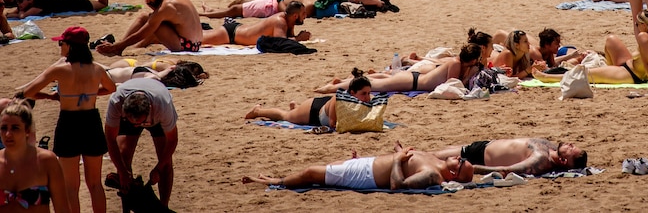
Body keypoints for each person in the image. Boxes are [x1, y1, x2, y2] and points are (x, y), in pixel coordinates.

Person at [19, 26, 116, 213]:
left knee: (71, 186)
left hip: (69, 123)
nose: (59, 46)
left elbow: (28, 92)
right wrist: (91, 94)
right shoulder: (96, 69)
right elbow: (111, 88)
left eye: (61, 43)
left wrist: (51, 96)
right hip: (91, 121)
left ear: (70, 46)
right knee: (95, 183)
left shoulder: (60, 70)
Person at [242, 141, 474, 191]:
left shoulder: (432, 174)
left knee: (311, 172)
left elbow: (397, 185)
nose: (460, 158)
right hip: (368, 163)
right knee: (323, 168)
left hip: (364, 176)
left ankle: (273, 182)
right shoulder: (436, 161)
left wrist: (395, 160)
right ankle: (277, 178)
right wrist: (399, 151)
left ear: (454, 172)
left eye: (461, 162)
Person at [0, 101, 69, 212]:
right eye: (4, 128)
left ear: (27, 130)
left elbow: (62, 209)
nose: (8, 134)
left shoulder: (46, 161)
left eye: (15, 128)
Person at [534, 10, 648, 86]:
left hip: (631, 75)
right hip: (631, 67)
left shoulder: (644, 36)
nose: (637, 27)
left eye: (637, 24)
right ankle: (607, 68)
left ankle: (548, 78)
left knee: (586, 74)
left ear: (644, 25)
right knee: (611, 39)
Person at [104, 78, 179, 207]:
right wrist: (122, 171)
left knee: (165, 161)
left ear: (149, 109)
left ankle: (163, 207)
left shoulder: (162, 106)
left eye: (139, 123)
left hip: (157, 117)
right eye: (133, 122)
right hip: (130, 113)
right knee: (123, 157)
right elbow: (110, 140)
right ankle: (127, 206)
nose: (136, 126)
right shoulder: (116, 102)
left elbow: (172, 140)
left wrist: (158, 168)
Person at [315, 45, 481, 95]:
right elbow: (450, 85)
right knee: (374, 84)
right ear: (473, 59)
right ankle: (331, 88)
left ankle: (340, 83)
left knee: (379, 79)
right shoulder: (455, 63)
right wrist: (468, 77)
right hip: (413, 82)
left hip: (415, 78)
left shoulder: (457, 62)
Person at [95, 0, 203, 56]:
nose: (148, 0)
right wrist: (153, 6)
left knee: (148, 20)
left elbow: (142, 33)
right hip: (196, 43)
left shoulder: (166, 7)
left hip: (186, 46)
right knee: (146, 17)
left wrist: (117, 46)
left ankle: (118, 48)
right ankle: (119, 47)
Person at [245, 73, 372, 128]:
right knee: (285, 116)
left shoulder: (363, 102)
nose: (367, 97)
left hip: (324, 107)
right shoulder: (338, 100)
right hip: (313, 110)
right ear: (352, 93)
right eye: (364, 94)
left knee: (294, 114)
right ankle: (258, 111)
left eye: (369, 93)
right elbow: (333, 124)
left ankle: (296, 108)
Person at [431, 138, 587, 176]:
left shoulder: (540, 160)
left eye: (571, 148)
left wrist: (473, 168)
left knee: (433, 158)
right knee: (437, 154)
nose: (570, 143)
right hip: (485, 145)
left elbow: (506, 170)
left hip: (478, 156)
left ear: (563, 161)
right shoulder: (552, 148)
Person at [201, 1, 309, 46]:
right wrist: (299, 38)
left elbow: (288, 37)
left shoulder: (289, 21)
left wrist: (298, 37)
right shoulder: (280, 21)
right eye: (303, 13)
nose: (306, 16)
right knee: (197, 38)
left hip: (238, 31)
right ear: (295, 16)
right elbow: (280, 41)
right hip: (231, 34)